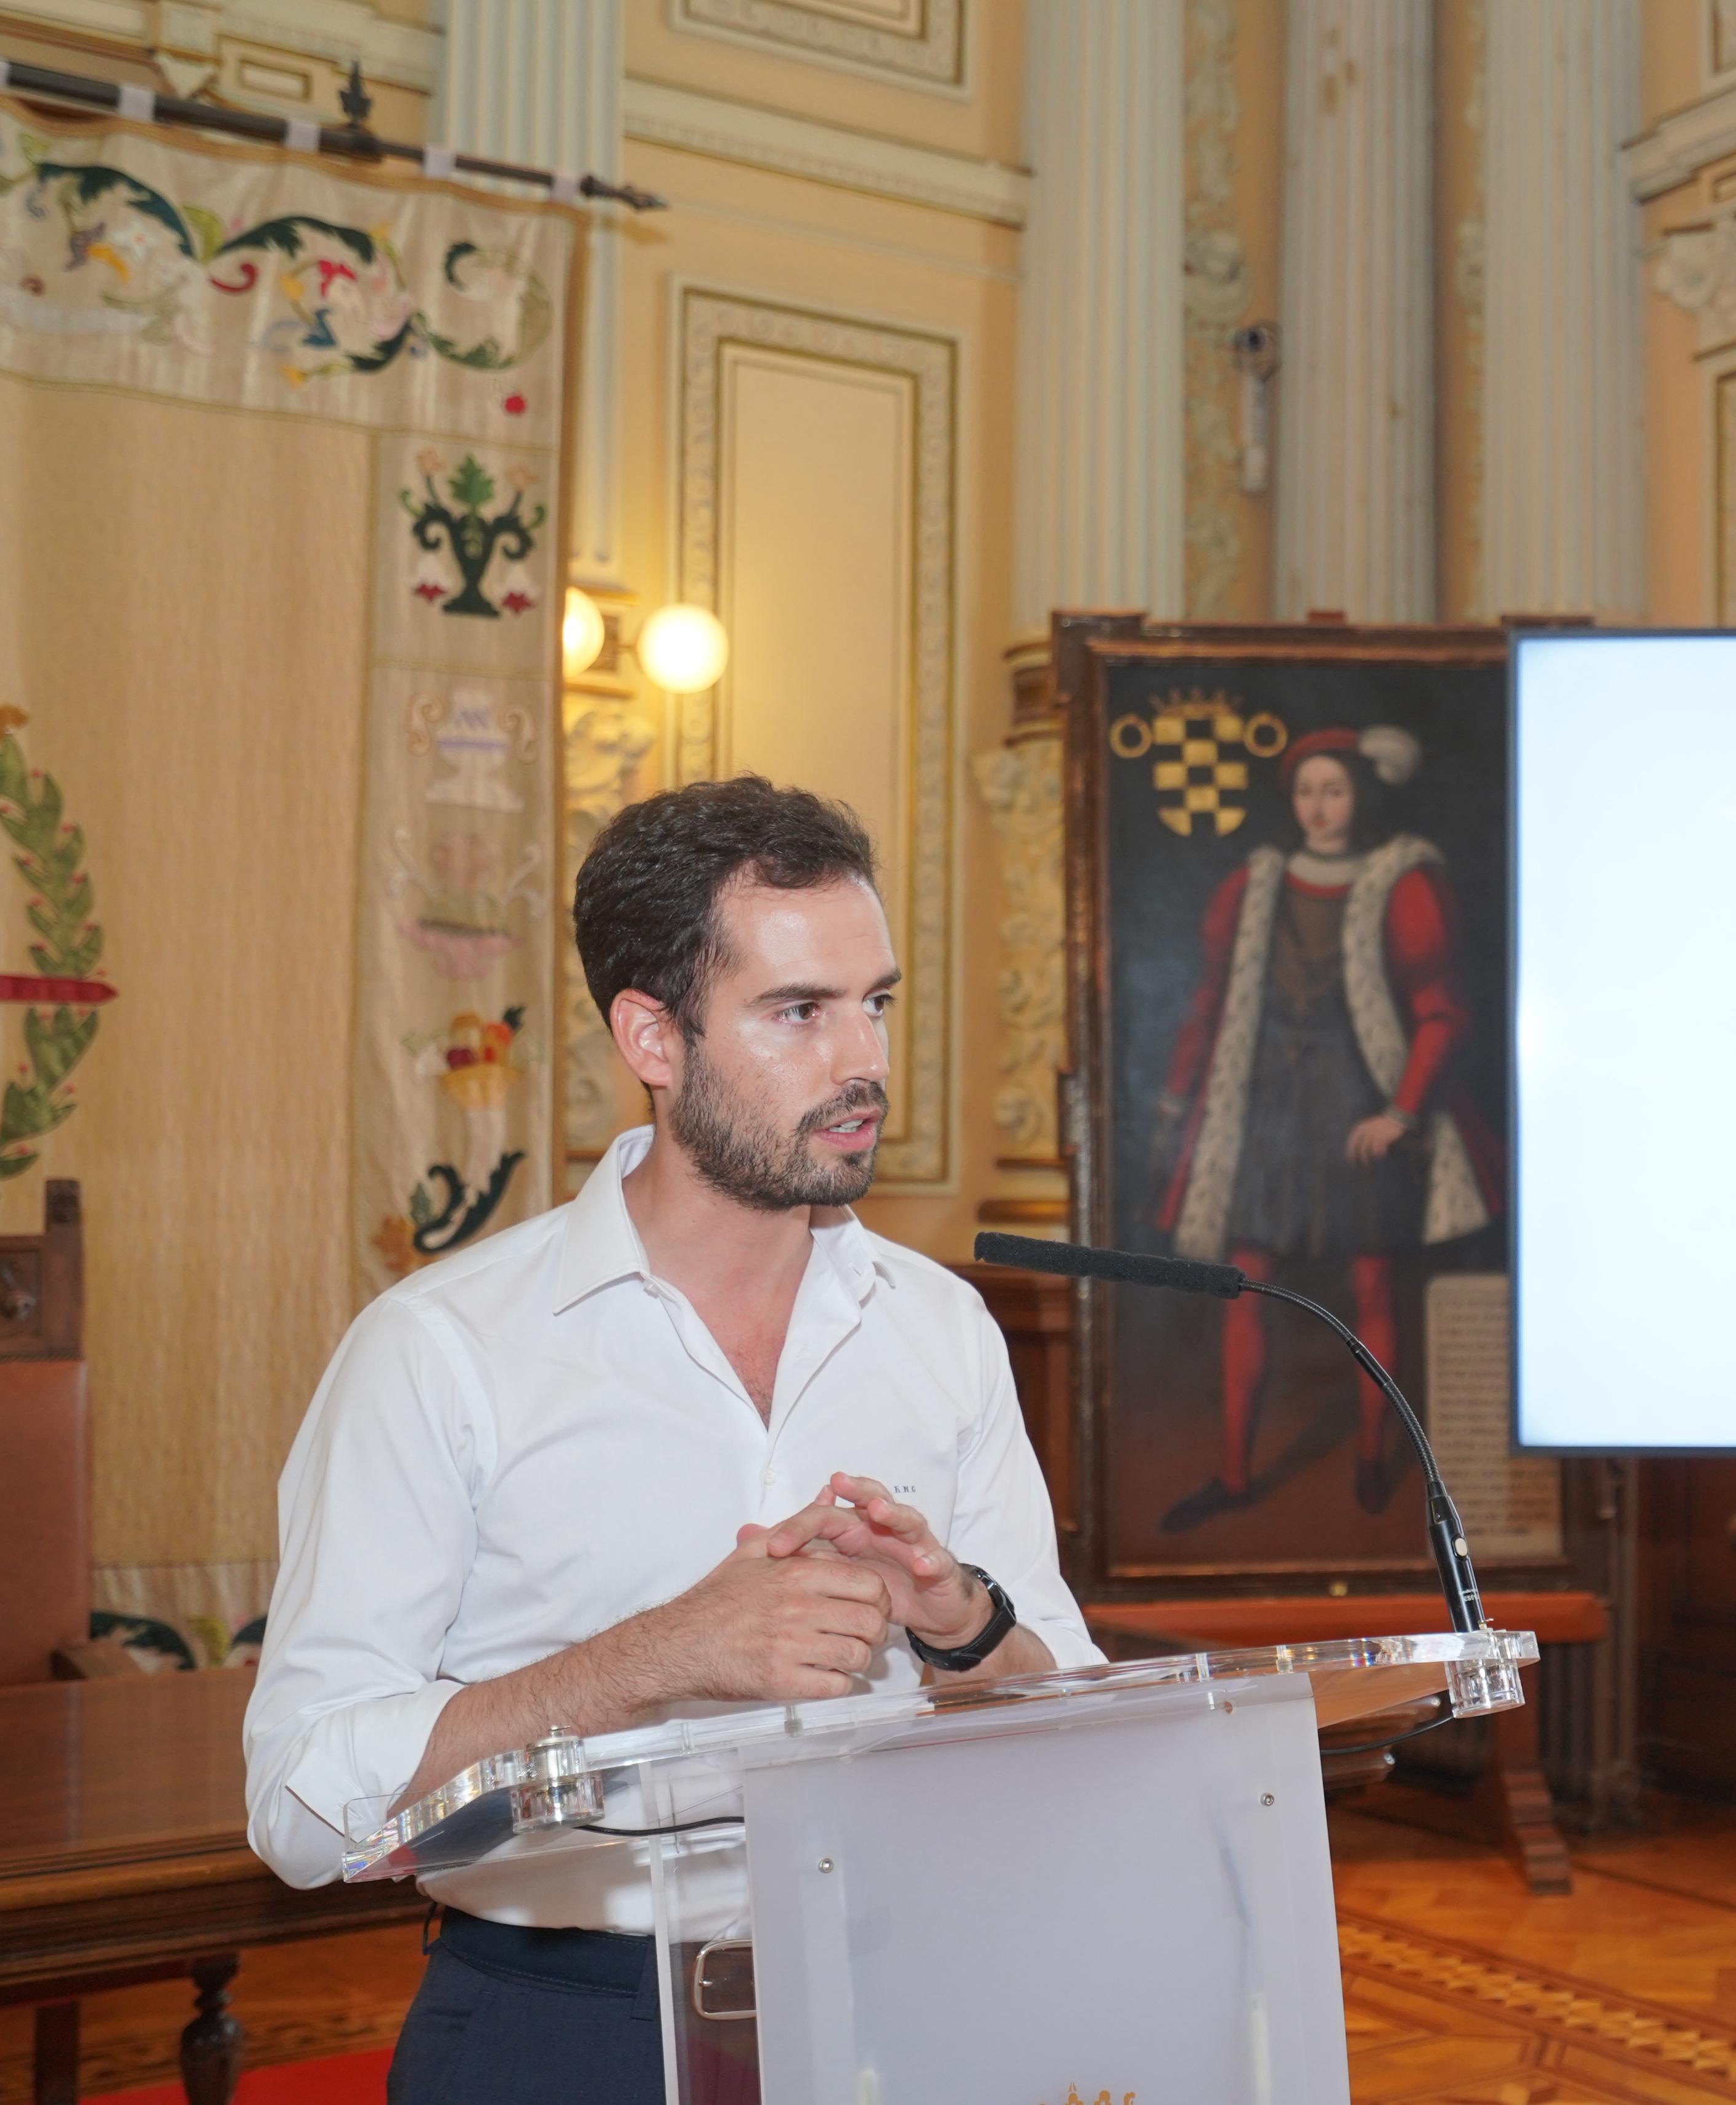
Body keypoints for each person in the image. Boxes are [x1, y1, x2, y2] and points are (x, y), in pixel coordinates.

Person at [245, 777, 1099, 2105]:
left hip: (910, 2005)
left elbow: (1077, 1735)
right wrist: (658, 1658)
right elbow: (302, 1805)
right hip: (568, 2028)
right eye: (799, 1011)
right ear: (652, 1035)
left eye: (875, 1003)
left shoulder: (941, 1329)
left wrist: (963, 1624)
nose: (863, 1061)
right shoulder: (443, 1349)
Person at [1149, 724, 1494, 1533]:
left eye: (1334, 790)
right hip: (1267, 1107)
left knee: (1372, 1284)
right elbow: (1211, 999)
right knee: (1244, 1286)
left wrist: (1400, 1110)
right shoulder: (1255, 885)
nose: (1319, 806)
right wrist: (1176, 1095)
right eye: (1307, 791)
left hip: (1356, 1108)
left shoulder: (1401, 880)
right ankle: (1235, 1473)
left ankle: (1372, 1456)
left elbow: (1443, 1013)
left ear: (1360, 795)